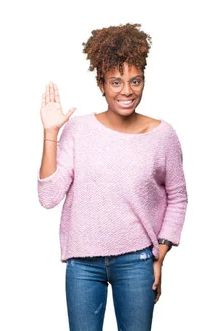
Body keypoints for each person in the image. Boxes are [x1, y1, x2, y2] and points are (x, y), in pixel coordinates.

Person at [37, 23, 187, 330]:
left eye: (135, 81)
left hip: (137, 262)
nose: (127, 91)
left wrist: (160, 253)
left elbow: (178, 196)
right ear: (101, 84)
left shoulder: (163, 135)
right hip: (83, 264)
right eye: (116, 82)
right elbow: (49, 196)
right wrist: (51, 132)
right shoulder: (78, 130)